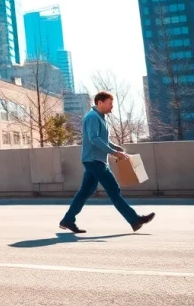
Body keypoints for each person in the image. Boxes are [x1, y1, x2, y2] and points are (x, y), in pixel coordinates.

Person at [59, 91, 155, 234]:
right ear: (100, 102)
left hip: (94, 160)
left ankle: (68, 220)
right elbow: (94, 139)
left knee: (85, 192)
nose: (112, 107)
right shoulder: (92, 117)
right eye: (110, 103)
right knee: (113, 190)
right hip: (94, 161)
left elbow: (102, 139)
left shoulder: (100, 118)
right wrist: (113, 152)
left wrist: (115, 147)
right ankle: (134, 220)